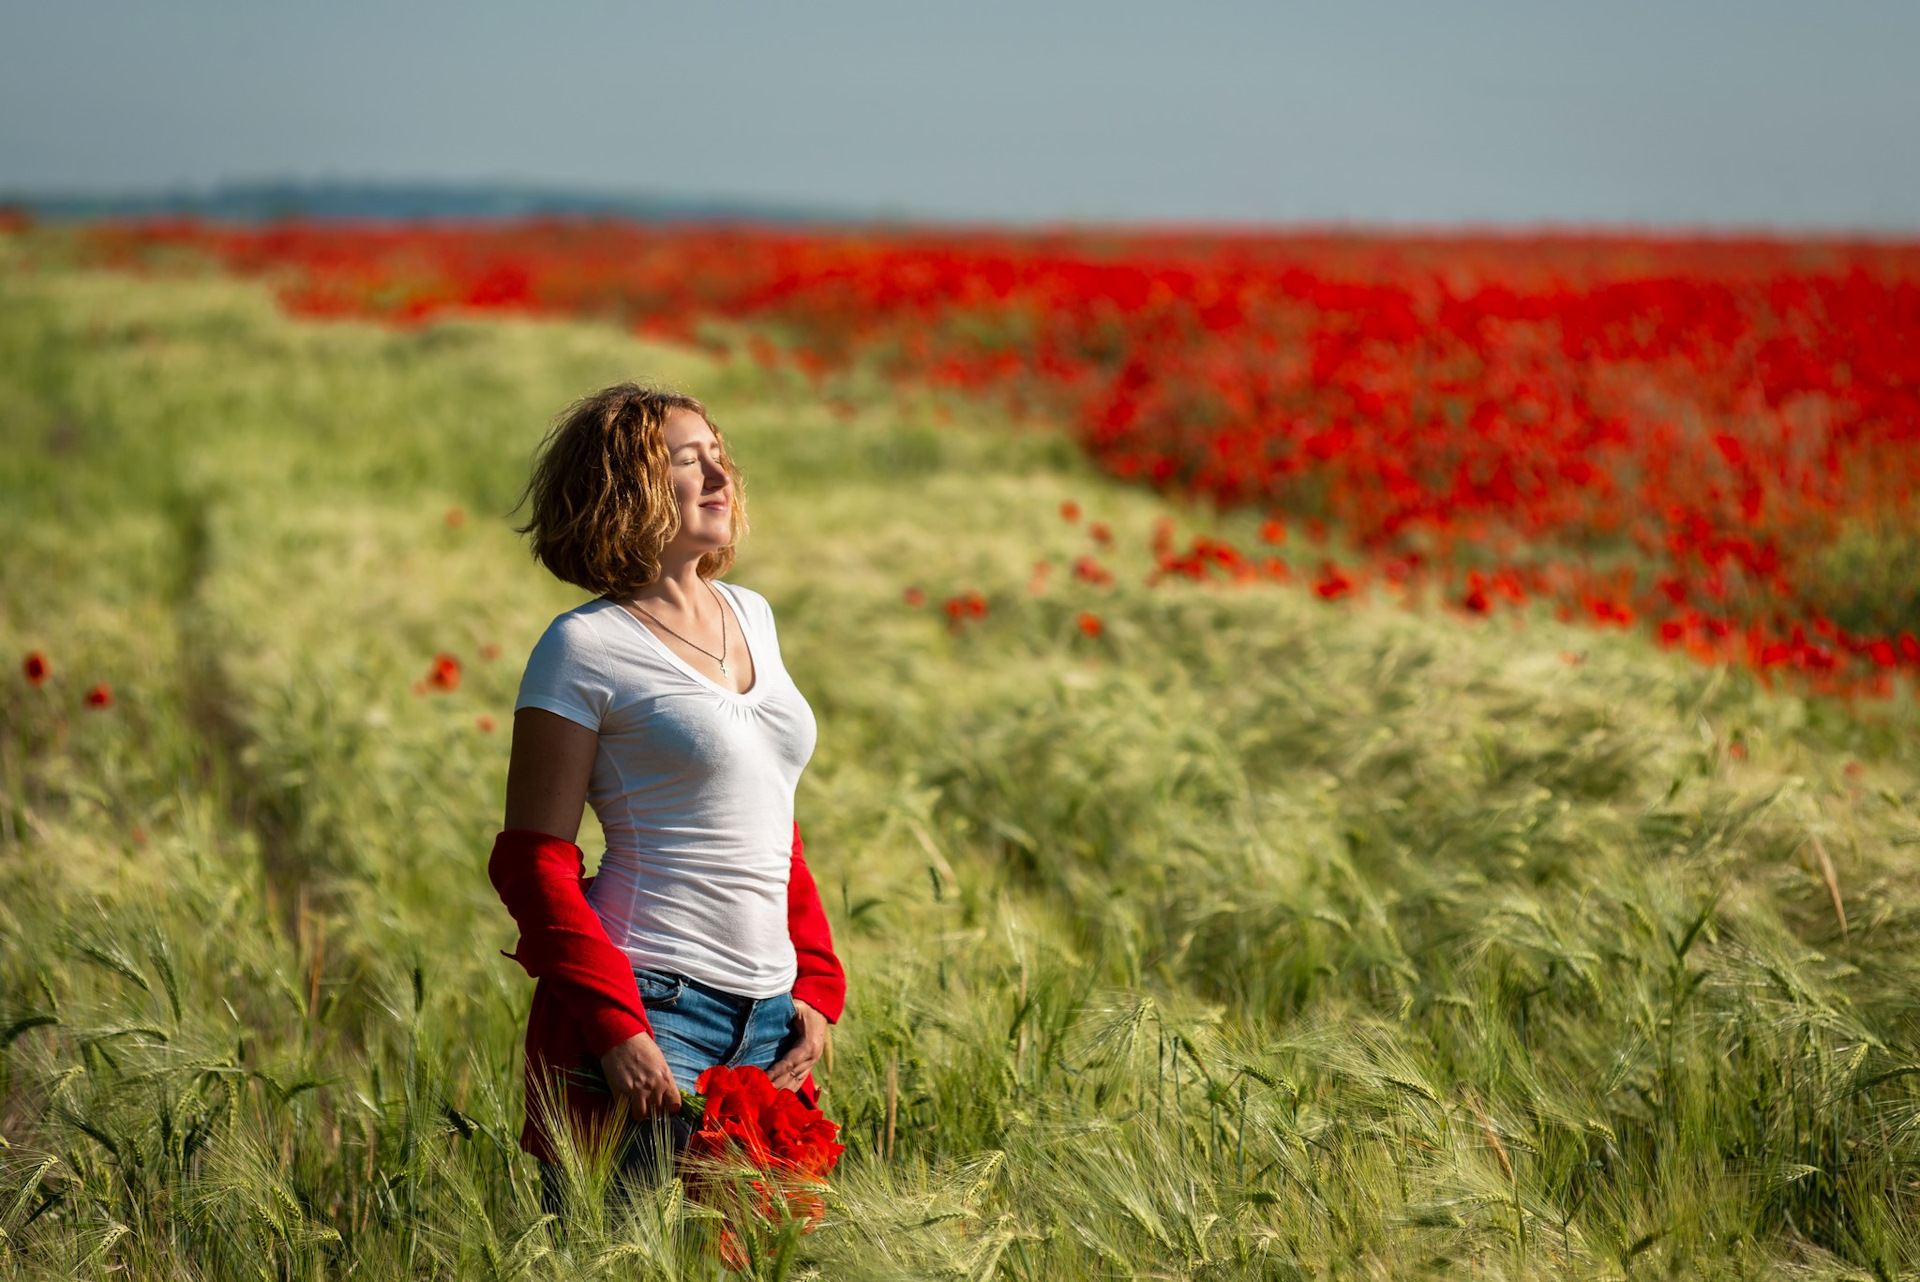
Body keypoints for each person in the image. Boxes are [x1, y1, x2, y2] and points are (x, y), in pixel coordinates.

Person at [487, 382, 845, 1196]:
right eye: (690, 462)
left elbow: (769, 824)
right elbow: (532, 861)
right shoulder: (582, 648)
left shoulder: (752, 615)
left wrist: (816, 986)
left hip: (770, 1020)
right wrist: (614, 1027)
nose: (721, 476)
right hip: (654, 1008)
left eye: (721, 457)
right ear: (627, 486)